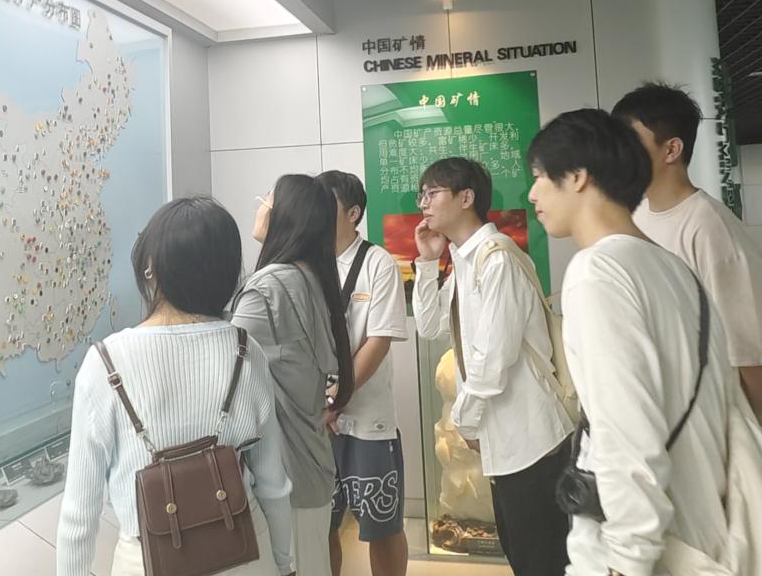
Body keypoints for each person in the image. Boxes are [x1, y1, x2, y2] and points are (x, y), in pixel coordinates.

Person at [527, 108, 742, 575]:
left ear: (578, 176)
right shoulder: (674, 269)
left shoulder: (597, 272)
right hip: (706, 535)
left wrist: (626, 560)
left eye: (541, 175)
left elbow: (625, 435)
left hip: (646, 553)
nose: (532, 193)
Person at [57, 197, 296, 576]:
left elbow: (78, 515)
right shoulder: (245, 349)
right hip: (247, 552)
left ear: (151, 269)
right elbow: (273, 485)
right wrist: (284, 565)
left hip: (146, 561)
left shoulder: (104, 363)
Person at [412, 157, 572, 576]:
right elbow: (429, 327)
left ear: (466, 197)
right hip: (505, 440)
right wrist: (427, 263)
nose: (423, 203)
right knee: (524, 556)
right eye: (421, 194)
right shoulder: (464, 261)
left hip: (531, 439)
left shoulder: (496, 259)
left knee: (543, 560)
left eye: (432, 192)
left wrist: (465, 422)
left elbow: (492, 360)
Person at [230, 174, 355, 576]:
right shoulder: (309, 275)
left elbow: (227, 368)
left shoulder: (268, 287)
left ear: (285, 215)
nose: (260, 207)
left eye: (267, 200)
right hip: (312, 465)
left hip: (284, 477)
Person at [613, 82, 762, 416]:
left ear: (671, 150)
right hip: (660, 414)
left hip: (709, 420)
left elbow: (750, 356)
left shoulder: (709, 228)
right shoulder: (637, 216)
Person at [314, 171, 409, 576]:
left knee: (382, 526)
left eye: (326, 203)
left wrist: (337, 399)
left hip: (368, 421)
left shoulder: (377, 262)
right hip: (315, 420)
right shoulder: (306, 262)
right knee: (322, 525)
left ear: (353, 213)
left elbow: (379, 340)